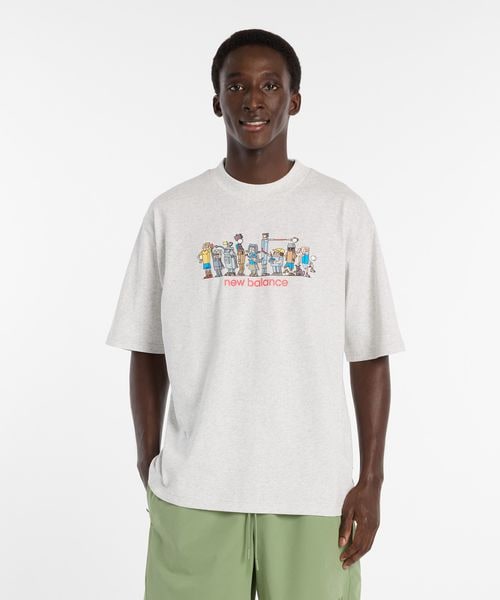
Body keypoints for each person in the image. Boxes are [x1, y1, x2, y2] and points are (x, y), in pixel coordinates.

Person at [105, 28, 405, 600]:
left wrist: (372, 480)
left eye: (270, 85)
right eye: (236, 85)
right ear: (217, 101)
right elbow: (147, 348)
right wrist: (149, 462)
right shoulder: (173, 213)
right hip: (195, 490)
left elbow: (370, 353)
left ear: (294, 100)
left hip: (313, 492)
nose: (253, 100)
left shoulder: (341, 210)